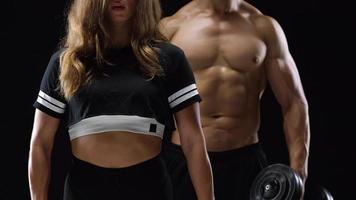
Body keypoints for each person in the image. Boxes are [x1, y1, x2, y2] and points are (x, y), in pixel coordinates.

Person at [28, 0, 214, 199]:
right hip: (84, 189)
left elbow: (193, 140)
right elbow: (40, 143)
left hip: (149, 188)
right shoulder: (67, 63)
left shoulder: (169, 58)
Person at [160, 0, 310, 199]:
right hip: (185, 160)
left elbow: (294, 103)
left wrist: (299, 172)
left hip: (245, 163)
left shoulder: (263, 28)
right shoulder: (171, 28)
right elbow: (144, 104)